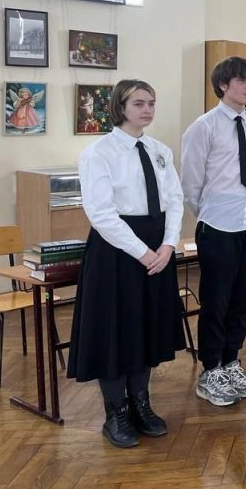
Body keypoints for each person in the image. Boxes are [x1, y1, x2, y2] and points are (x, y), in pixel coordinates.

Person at [67, 79, 185, 448]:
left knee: (146, 327)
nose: (147, 109)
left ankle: (141, 404)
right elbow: (101, 214)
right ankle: (115, 412)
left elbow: (175, 200)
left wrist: (168, 245)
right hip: (117, 251)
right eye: (139, 103)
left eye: (151, 102)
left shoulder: (159, 150)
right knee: (116, 331)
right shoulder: (99, 153)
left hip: (157, 248)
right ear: (120, 107)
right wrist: (143, 252)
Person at [181, 57, 246, 407]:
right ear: (222, 85)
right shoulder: (203, 127)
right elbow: (191, 183)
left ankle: (231, 361)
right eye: (242, 80)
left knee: (244, 300)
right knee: (216, 301)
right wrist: (210, 214)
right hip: (219, 225)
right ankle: (211, 369)